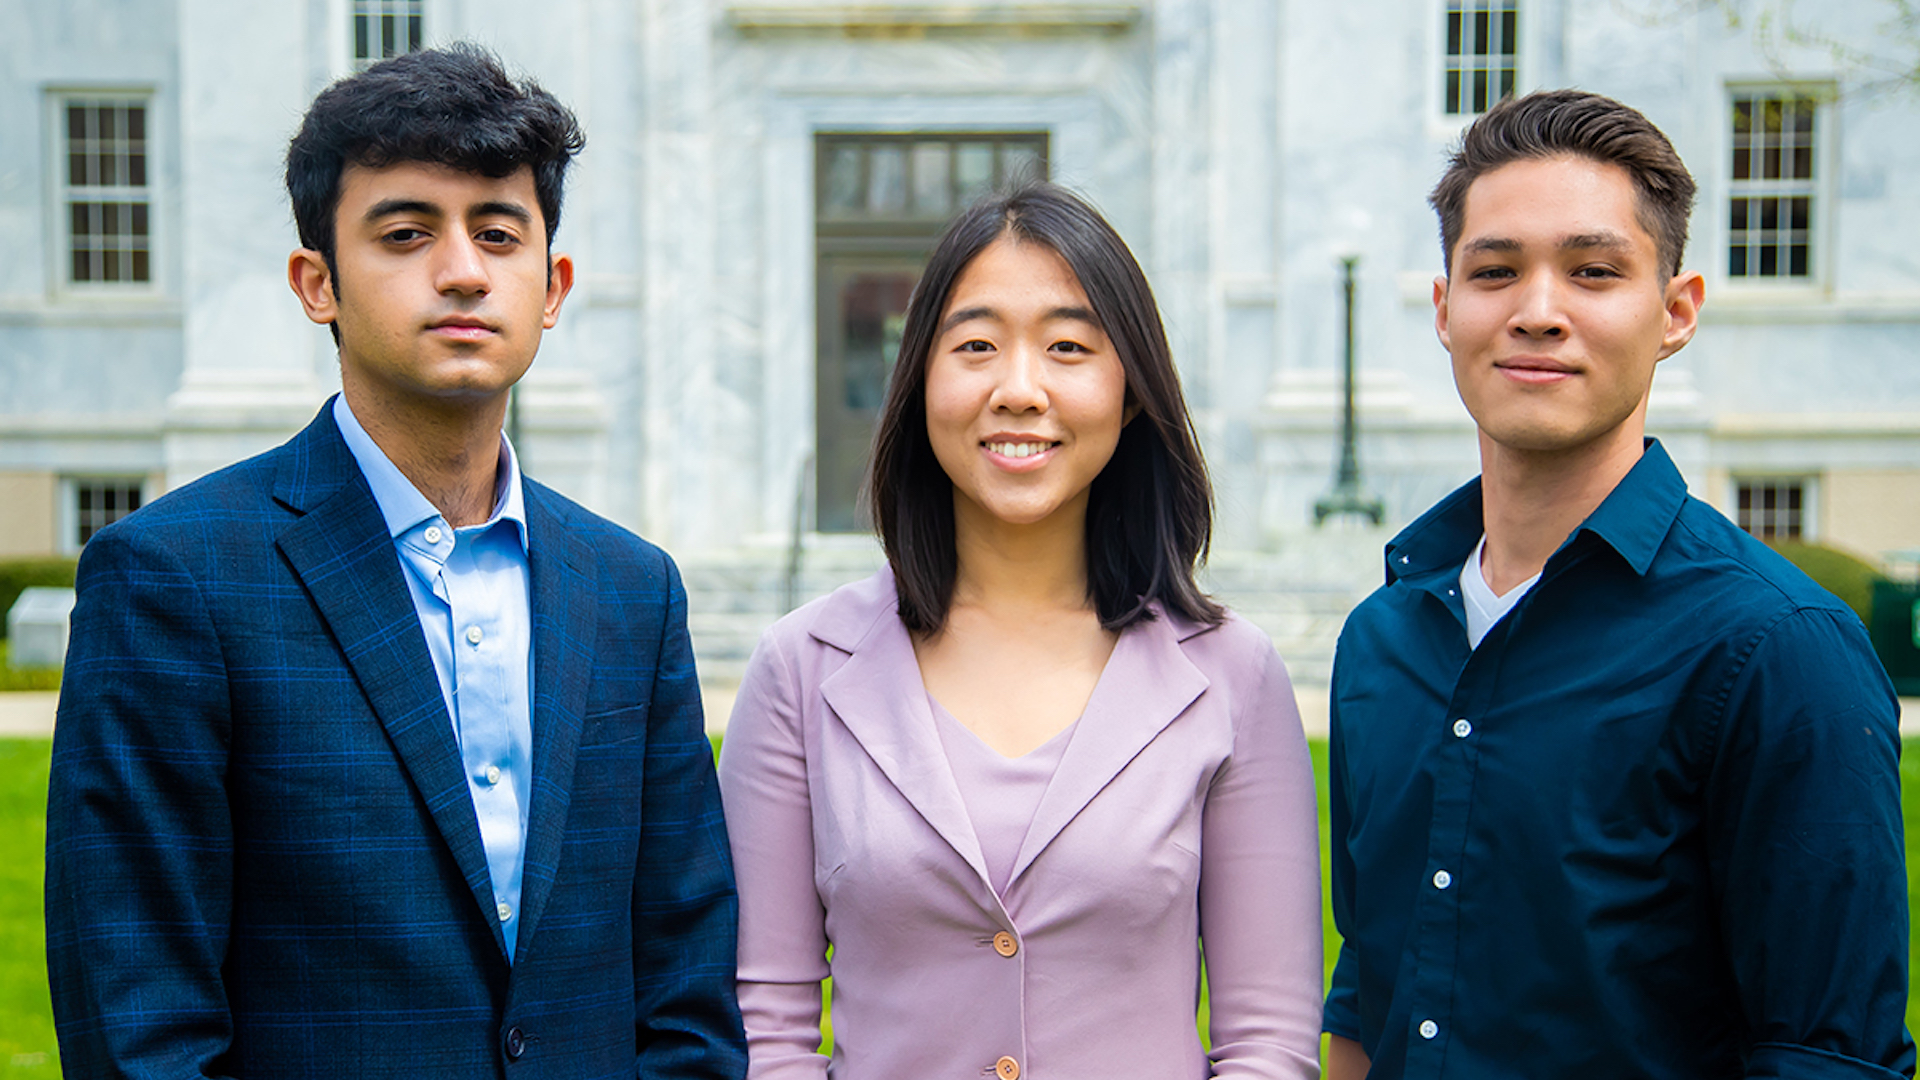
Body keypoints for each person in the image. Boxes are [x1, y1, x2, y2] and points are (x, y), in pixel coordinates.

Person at [44, 45, 746, 1078]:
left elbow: (685, 983)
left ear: (551, 288)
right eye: (407, 232)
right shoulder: (172, 579)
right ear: (316, 282)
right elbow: (135, 1015)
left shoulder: (632, 590)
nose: (462, 270)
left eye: (498, 234)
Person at [1321, 88, 1912, 1080]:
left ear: (1675, 312)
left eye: (1594, 272)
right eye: (1495, 271)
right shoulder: (1382, 639)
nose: (1537, 312)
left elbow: (1828, 1057)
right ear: (1445, 308)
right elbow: (1374, 988)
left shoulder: (1780, 650)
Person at [717, 182, 1323, 1079]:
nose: (1020, 389)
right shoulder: (801, 670)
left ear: (1130, 394)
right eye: (975, 347)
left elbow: (1266, 1041)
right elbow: (763, 1029)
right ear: (921, 380)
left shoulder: (1234, 674)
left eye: (1069, 348)